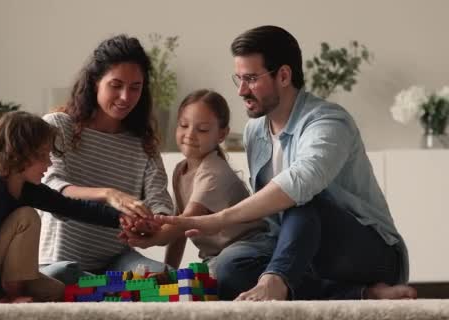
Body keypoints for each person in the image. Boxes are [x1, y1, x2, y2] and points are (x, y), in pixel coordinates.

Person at [155, 25, 417, 301]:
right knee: (227, 269)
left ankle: (276, 280)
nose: (242, 90)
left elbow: (298, 184)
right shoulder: (255, 131)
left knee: (301, 199)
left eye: (252, 79)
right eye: (239, 79)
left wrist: (220, 219)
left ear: (283, 75)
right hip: (295, 250)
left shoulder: (328, 121)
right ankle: (361, 294)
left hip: (366, 253)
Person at [0, 111, 145, 303]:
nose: (48, 163)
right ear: (18, 154)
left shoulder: (28, 189)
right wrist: (2, 301)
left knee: (56, 292)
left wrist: (121, 218)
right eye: (42, 155)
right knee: (26, 216)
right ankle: (0, 296)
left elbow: (74, 208)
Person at [38, 34, 173, 284]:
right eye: (116, 85)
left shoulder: (143, 143)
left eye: (135, 87)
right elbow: (50, 188)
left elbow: (161, 204)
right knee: (67, 277)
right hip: (60, 262)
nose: (125, 97)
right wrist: (109, 194)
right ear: (94, 82)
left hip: (116, 260)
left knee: (166, 278)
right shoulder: (59, 126)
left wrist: (154, 228)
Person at [120, 89, 274, 298]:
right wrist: (168, 272)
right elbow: (180, 229)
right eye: (184, 125)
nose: (190, 134)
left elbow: (187, 220)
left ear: (221, 134)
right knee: (201, 278)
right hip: (216, 256)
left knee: (225, 267)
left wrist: (152, 239)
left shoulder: (214, 171)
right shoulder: (180, 171)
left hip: (251, 247)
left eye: (202, 129)